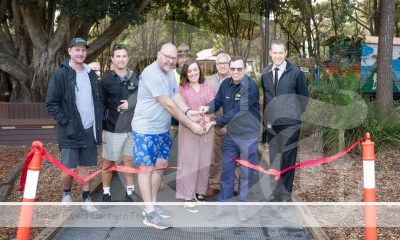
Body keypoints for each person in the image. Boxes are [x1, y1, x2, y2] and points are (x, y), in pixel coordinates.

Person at [131, 43, 204, 230]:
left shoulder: (171, 72)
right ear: (158, 54)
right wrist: (191, 125)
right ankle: (149, 213)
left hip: (162, 129)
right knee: (146, 168)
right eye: (167, 57)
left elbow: (176, 97)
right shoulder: (151, 73)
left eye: (174, 58)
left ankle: (152, 204)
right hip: (145, 129)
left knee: (161, 165)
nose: (171, 61)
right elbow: (168, 105)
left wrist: (188, 111)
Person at [45, 37, 102, 213]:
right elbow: (51, 103)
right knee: (69, 169)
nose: (81, 53)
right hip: (70, 130)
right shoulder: (62, 74)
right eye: (77, 49)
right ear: (69, 51)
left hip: (89, 129)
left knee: (86, 167)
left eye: (83, 50)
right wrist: (66, 122)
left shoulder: (91, 74)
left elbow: (98, 100)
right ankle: (67, 194)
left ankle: (86, 198)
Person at [200, 56, 260, 222]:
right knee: (227, 172)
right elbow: (218, 101)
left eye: (238, 69)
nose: (235, 72)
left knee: (246, 174)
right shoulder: (226, 84)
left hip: (248, 137)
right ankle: (223, 208)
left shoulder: (251, 87)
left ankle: (242, 209)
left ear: (245, 69)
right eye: (232, 68)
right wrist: (207, 108)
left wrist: (215, 122)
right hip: (231, 136)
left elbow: (237, 111)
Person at [260, 39, 309, 203]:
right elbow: (266, 100)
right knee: (275, 159)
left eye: (281, 52)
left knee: (288, 159)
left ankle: (285, 195)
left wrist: (293, 116)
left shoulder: (295, 72)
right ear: (270, 53)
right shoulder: (265, 73)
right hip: (272, 125)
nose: (278, 56)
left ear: (286, 53)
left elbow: (304, 99)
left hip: (290, 124)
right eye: (275, 52)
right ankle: (275, 192)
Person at [100, 44, 140, 203]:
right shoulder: (106, 80)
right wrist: (102, 128)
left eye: (124, 56)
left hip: (131, 129)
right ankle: (106, 192)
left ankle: (130, 192)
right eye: (118, 56)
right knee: (108, 162)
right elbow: (100, 105)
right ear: (112, 59)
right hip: (111, 129)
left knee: (129, 161)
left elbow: (142, 98)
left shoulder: (135, 78)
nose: (121, 59)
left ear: (128, 58)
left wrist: (130, 104)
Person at [175, 58, 215, 213]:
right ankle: (187, 195)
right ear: (185, 73)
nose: (193, 73)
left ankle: (200, 192)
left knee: (204, 160)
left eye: (195, 69)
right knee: (189, 161)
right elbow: (180, 110)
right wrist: (194, 121)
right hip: (189, 129)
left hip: (206, 129)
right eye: (189, 71)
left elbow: (213, 105)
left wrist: (209, 120)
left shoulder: (208, 86)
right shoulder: (181, 89)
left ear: (200, 70)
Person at [205, 53, 240, 198]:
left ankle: (236, 185)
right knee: (215, 158)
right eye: (220, 63)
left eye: (225, 63)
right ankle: (214, 185)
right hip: (215, 125)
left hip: (234, 126)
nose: (223, 66)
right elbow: (207, 101)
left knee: (235, 157)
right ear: (216, 65)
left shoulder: (236, 79)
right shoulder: (208, 81)